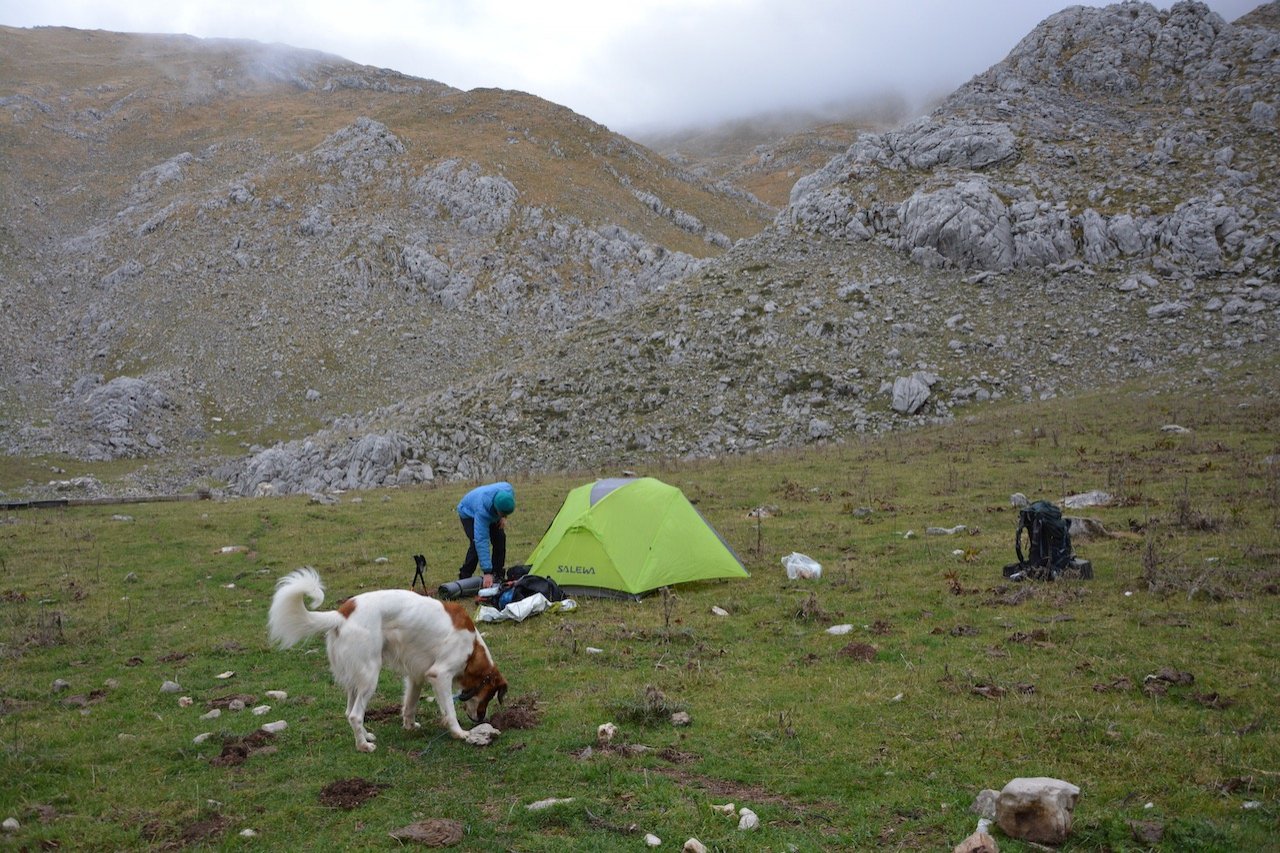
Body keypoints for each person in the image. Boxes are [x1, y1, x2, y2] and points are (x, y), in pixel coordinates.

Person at [456, 481, 515, 589]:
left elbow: (506, 504)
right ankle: (465, 576)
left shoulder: (508, 490)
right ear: (497, 509)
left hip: (492, 510)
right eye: (502, 513)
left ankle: (497, 574)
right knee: (476, 545)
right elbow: (481, 540)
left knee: (500, 538)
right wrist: (487, 572)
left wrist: (503, 517)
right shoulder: (482, 511)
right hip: (468, 513)